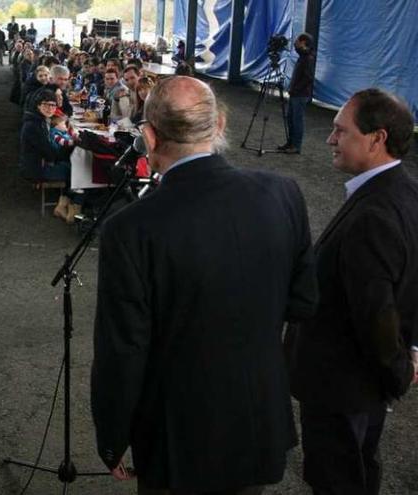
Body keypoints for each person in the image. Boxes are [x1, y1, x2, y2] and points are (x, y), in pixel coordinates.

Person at [91, 76, 317, 494]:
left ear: (149, 136)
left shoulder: (130, 228)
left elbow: (123, 348)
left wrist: (113, 435)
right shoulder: (283, 193)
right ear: (220, 125)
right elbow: (304, 302)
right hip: (257, 422)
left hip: (178, 436)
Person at [288, 88, 418, 495]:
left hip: (343, 386)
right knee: (361, 468)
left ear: (377, 139)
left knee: (338, 479)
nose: (329, 140)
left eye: (340, 131)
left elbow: (375, 311)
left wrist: (399, 371)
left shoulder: (373, 215)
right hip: (363, 386)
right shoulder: (403, 191)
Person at [279, 33, 316, 154]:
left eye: (297, 41)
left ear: (303, 42)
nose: (295, 44)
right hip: (296, 94)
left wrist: (295, 89)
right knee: (290, 119)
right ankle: (290, 143)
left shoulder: (308, 58)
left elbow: (308, 78)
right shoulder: (303, 56)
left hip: (300, 95)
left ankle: (296, 146)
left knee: (297, 120)